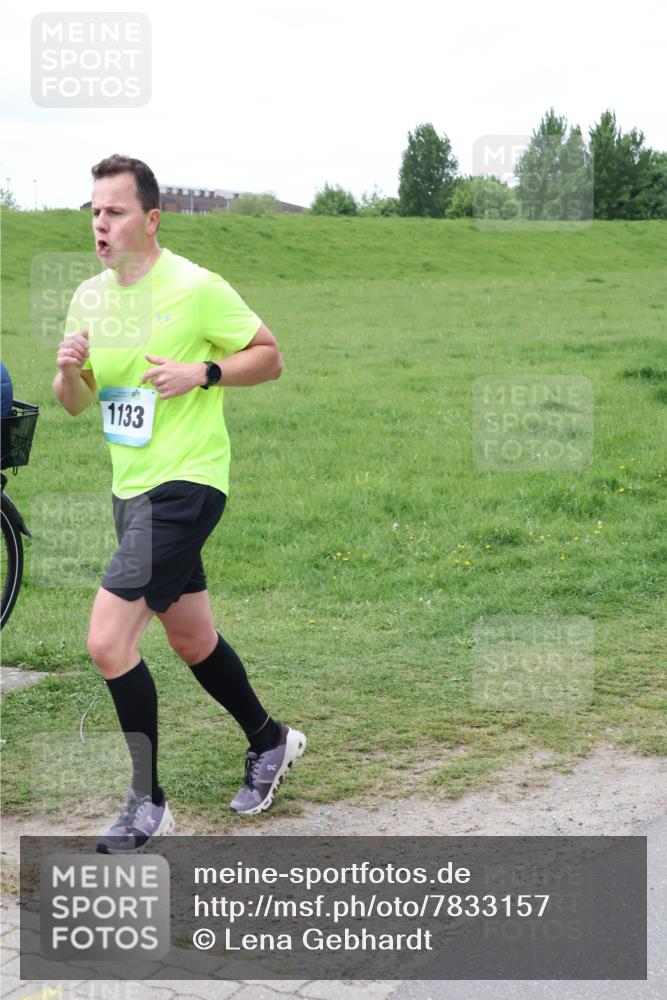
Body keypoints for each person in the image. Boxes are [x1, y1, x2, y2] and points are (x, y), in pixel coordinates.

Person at [53, 154, 306, 854]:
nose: (101, 225)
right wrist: (68, 371)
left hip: (188, 485)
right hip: (130, 491)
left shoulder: (196, 288)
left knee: (108, 641)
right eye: (95, 212)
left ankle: (147, 803)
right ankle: (270, 740)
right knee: (190, 636)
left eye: (116, 212)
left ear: (151, 218)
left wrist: (205, 372)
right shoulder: (88, 298)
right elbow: (75, 405)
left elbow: (270, 354)